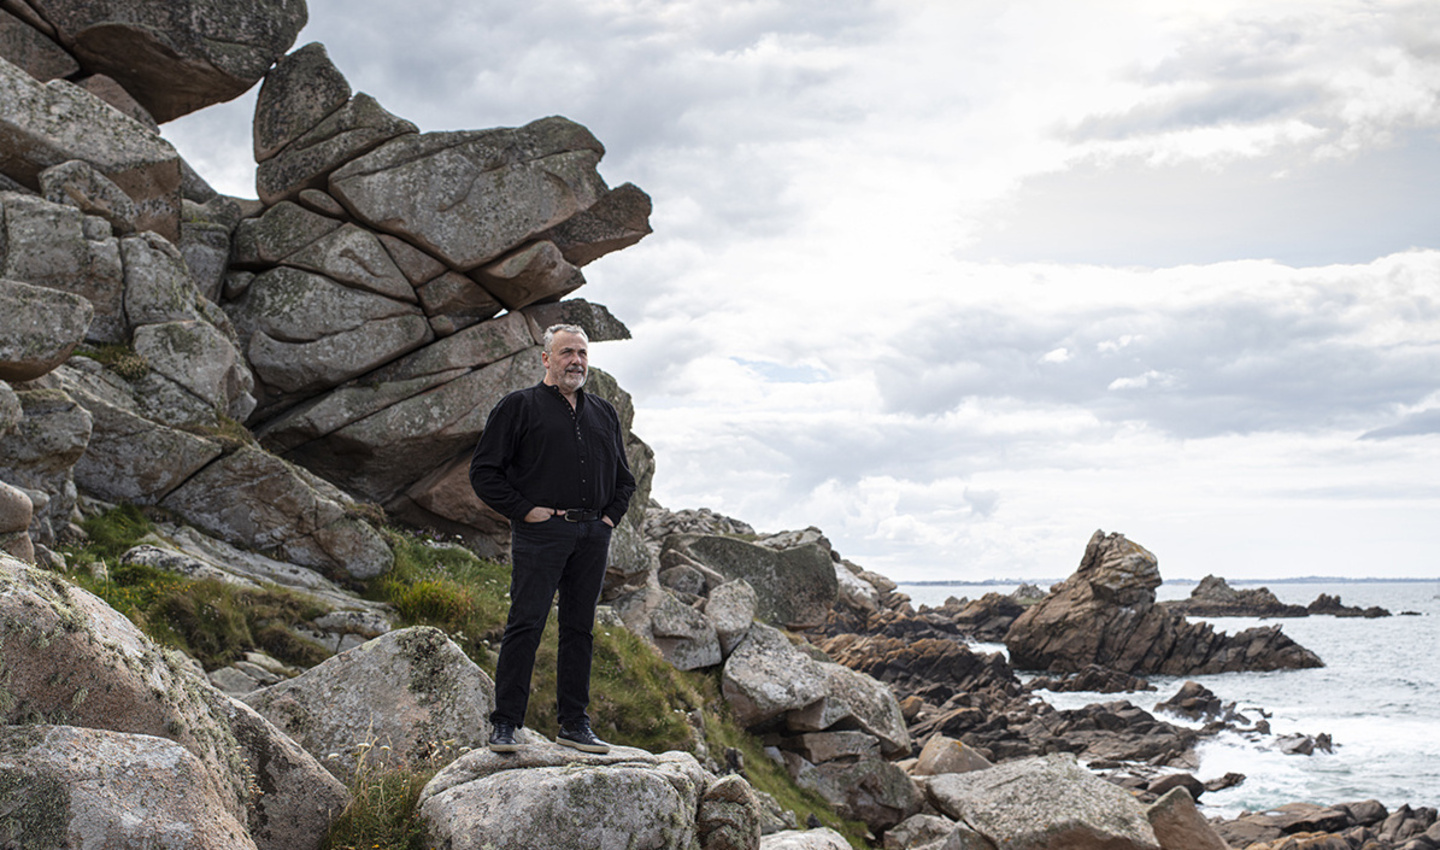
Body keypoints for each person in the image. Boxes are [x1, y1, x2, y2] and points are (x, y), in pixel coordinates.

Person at [469, 323, 636, 754]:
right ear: (546, 359)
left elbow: (624, 478)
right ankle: (506, 723)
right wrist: (526, 510)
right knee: (526, 624)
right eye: (566, 353)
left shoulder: (604, 412)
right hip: (541, 534)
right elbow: (484, 472)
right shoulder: (518, 407)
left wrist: (608, 521)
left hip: (592, 536)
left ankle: (574, 724)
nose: (575, 361)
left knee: (579, 630)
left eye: (581, 353)